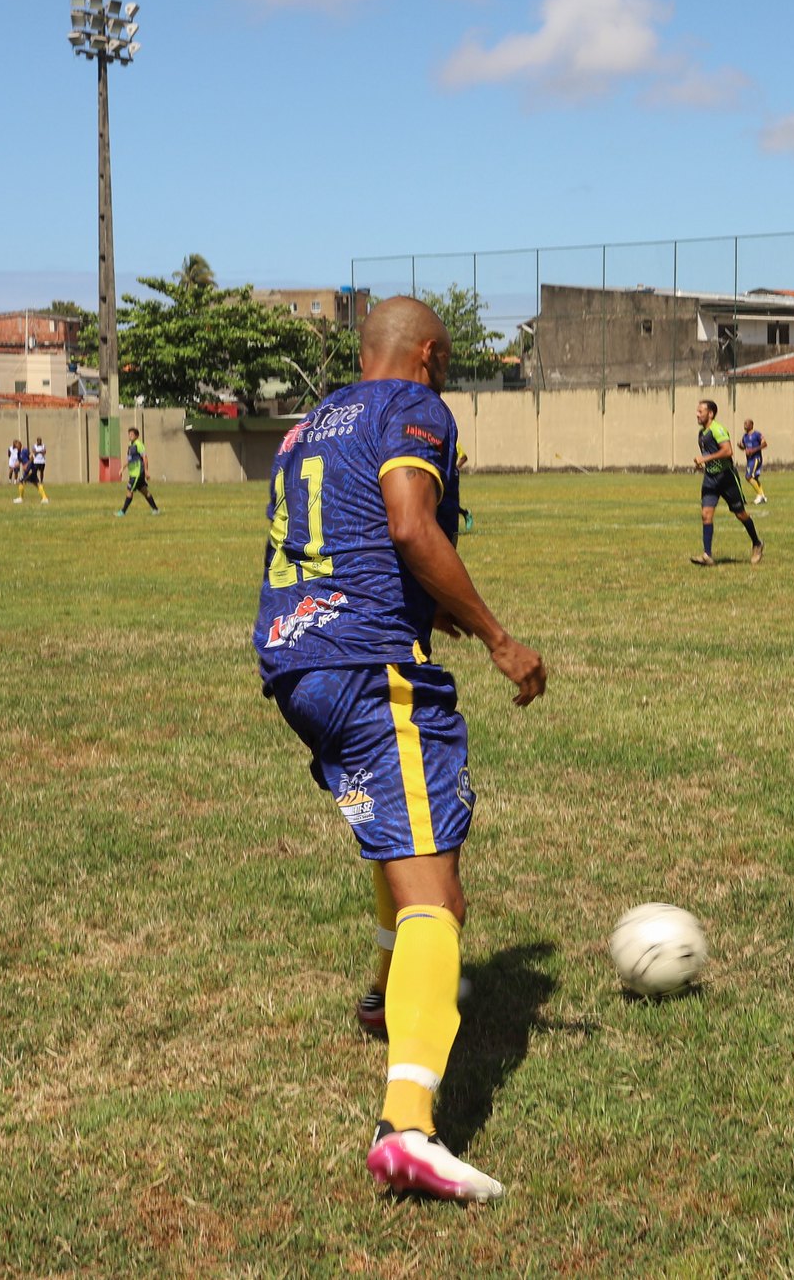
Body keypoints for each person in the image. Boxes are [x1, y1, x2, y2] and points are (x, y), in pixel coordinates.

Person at [253, 296, 545, 1203]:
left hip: (295, 659)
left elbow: (344, 532)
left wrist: (431, 609)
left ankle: (385, 993)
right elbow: (410, 524)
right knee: (438, 894)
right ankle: (408, 1127)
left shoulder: (307, 426)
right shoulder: (414, 408)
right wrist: (499, 637)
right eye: (447, 361)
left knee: (398, 825)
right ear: (426, 353)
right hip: (371, 661)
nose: (448, 375)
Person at [690, 399, 763, 566]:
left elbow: (728, 451)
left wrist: (705, 458)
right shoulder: (702, 433)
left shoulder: (718, 429)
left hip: (726, 478)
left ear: (710, 413)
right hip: (710, 478)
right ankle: (707, 555)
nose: (697, 414)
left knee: (740, 514)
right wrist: (703, 464)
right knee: (706, 515)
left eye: (700, 411)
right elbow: (710, 455)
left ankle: (757, 543)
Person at [116, 428, 160, 516]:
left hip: (138, 473)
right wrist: (122, 468)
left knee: (129, 491)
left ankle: (123, 511)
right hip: (133, 473)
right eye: (129, 434)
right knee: (144, 491)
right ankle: (155, 509)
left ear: (137, 436)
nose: (130, 436)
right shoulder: (130, 445)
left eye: (132, 435)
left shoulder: (139, 445)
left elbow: (145, 458)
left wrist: (146, 471)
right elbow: (129, 459)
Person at [739, 418, 768, 505]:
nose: (745, 425)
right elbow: (745, 447)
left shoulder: (757, 434)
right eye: (744, 424)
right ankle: (762, 496)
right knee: (754, 478)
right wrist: (741, 447)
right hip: (749, 459)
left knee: (748, 477)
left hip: (756, 458)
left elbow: (764, 444)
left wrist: (753, 450)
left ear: (752, 425)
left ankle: (760, 495)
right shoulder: (745, 436)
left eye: (747, 424)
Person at [19, 437, 51, 505]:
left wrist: (27, 465)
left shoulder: (24, 451)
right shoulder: (20, 452)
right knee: (36, 483)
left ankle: (20, 498)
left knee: (22, 481)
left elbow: (32, 457)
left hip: (30, 469)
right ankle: (44, 498)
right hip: (31, 469)